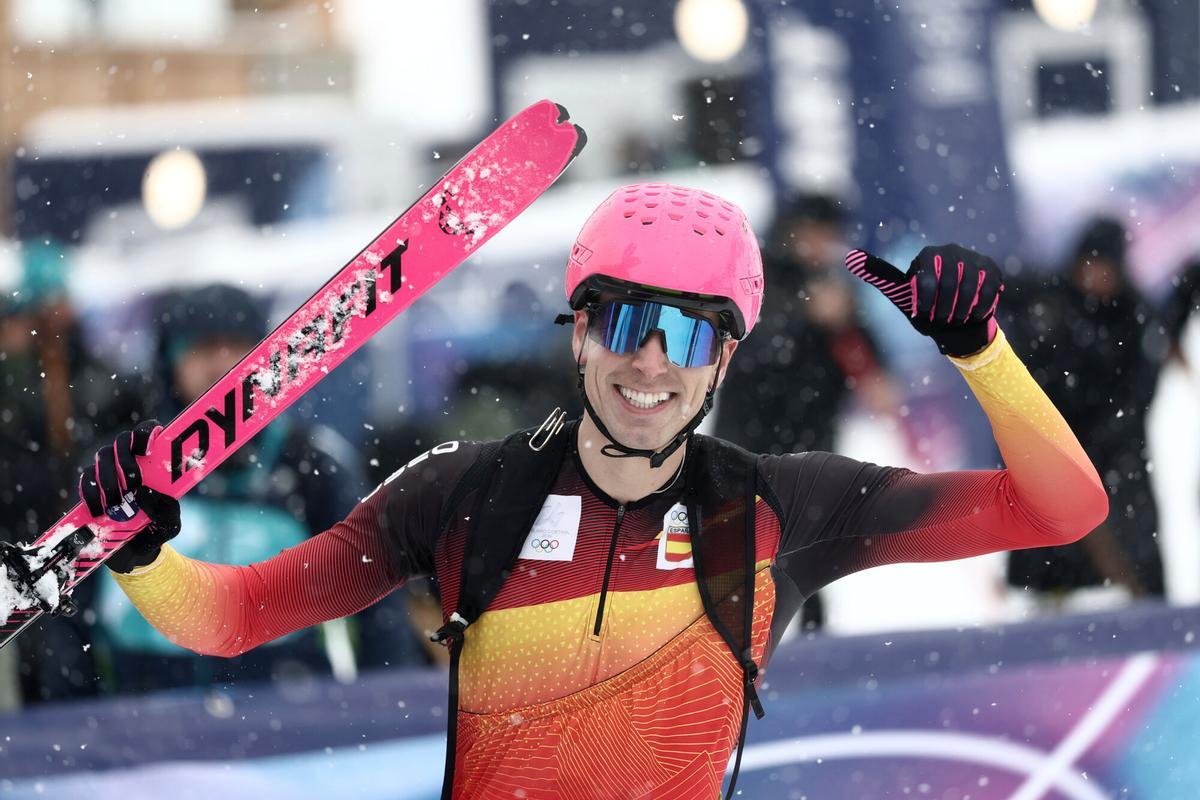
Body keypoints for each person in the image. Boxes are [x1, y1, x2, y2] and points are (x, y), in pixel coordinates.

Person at [80, 183, 1107, 798]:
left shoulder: (781, 506)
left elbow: (1064, 510)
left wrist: (979, 351)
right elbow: (236, 616)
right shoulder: (461, 494)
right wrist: (138, 552)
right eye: (624, 321)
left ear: (724, 360)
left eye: (693, 332)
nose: (652, 362)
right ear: (577, 330)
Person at [1005, 217, 1167, 603]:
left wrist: (1093, 451)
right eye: (1089, 265)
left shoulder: (1134, 316)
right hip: (1051, 458)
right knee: (1049, 572)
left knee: (1134, 573)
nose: (1095, 276)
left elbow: (1138, 395)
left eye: (1105, 267)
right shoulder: (1047, 300)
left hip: (1117, 461)